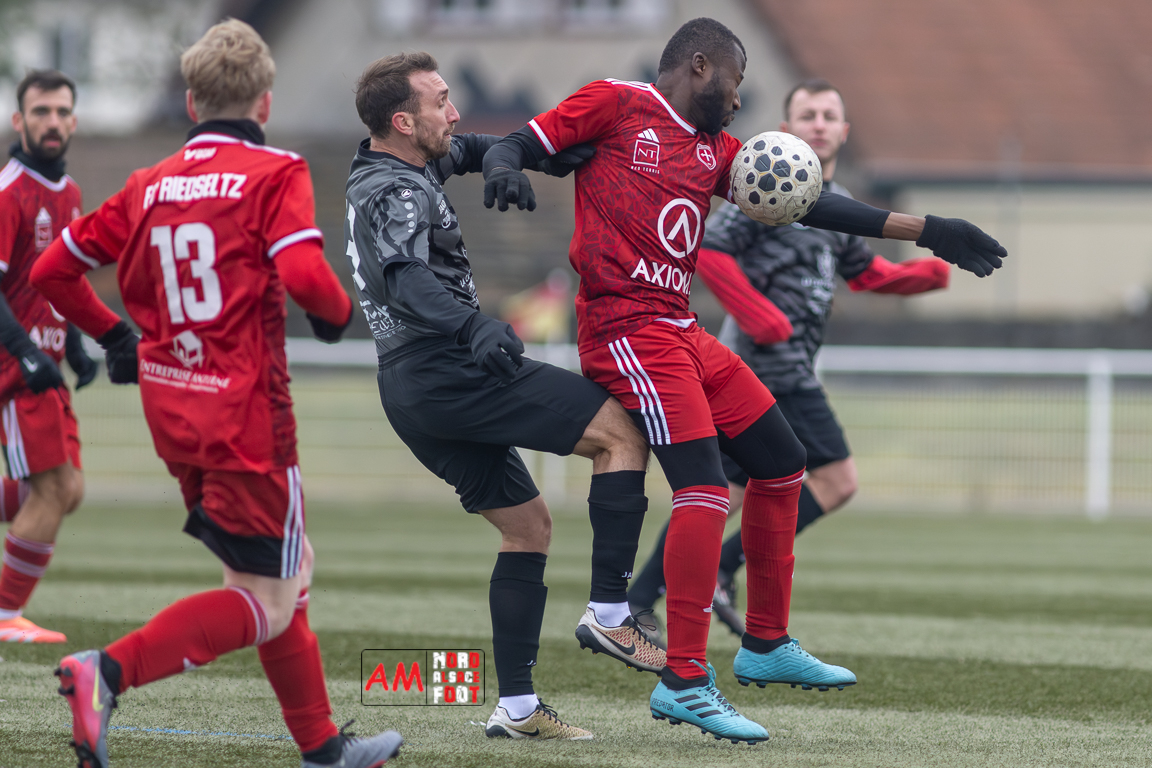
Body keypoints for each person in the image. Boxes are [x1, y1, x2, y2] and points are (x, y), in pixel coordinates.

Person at [482, 17, 1005, 743]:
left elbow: (812, 203)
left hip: (681, 330)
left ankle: (764, 641)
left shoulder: (717, 151)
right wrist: (504, 164)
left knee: (783, 463)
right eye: (736, 83)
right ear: (701, 65)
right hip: (626, 330)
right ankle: (684, 680)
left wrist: (930, 229)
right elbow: (517, 142)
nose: (738, 101)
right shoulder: (616, 103)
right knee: (702, 488)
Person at [31, 20, 401, 768]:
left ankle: (323, 747)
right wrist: (337, 316)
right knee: (268, 598)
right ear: (264, 102)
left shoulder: (148, 184)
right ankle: (106, 672)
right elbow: (307, 279)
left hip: (174, 409)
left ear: (192, 102)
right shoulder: (273, 170)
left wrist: (115, 336)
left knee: (281, 575)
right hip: (248, 417)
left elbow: (50, 273)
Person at [346, 52, 662, 742]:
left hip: (411, 387)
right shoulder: (394, 189)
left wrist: (510, 161)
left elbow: (471, 148)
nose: (454, 112)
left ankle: (517, 708)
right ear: (404, 122)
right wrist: (472, 326)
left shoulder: (400, 164)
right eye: (440, 102)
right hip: (447, 369)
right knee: (621, 435)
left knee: (528, 528)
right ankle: (612, 611)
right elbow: (403, 278)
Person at [628, 78, 952, 641]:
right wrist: (760, 317)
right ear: (786, 129)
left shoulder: (839, 205)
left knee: (722, 494)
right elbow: (712, 253)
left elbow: (864, 273)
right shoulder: (766, 185)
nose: (818, 124)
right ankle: (718, 571)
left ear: (844, 132)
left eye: (828, 115)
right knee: (836, 479)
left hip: (777, 371)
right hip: (767, 368)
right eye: (807, 115)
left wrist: (922, 276)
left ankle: (637, 601)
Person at [0, 68, 98, 644]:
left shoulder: (70, 193)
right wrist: (25, 353)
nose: (53, 122)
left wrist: (77, 344)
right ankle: (4, 615)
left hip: (45, 362)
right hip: (14, 366)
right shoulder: (10, 190)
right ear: (20, 120)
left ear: (74, 120)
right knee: (54, 488)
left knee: (70, 491)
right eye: (41, 111)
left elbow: (61, 282)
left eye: (62, 111)